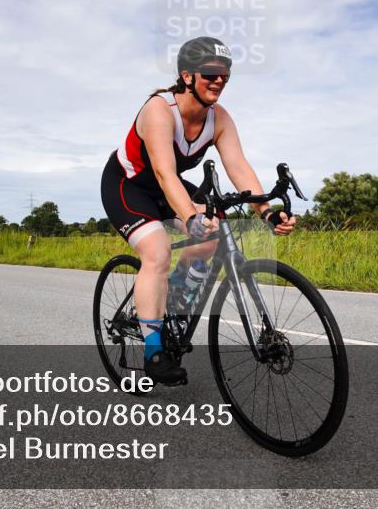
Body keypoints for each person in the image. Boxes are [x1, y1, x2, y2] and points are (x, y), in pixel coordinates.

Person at [100, 37, 297, 385]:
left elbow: (238, 167)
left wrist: (266, 212)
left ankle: (173, 304)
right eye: (211, 73)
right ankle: (153, 349)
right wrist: (189, 218)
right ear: (187, 76)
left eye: (225, 74)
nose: (219, 80)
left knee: (213, 233)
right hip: (129, 185)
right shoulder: (159, 110)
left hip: (169, 185)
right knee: (157, 250)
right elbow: (162, 171)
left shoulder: (218, 118)